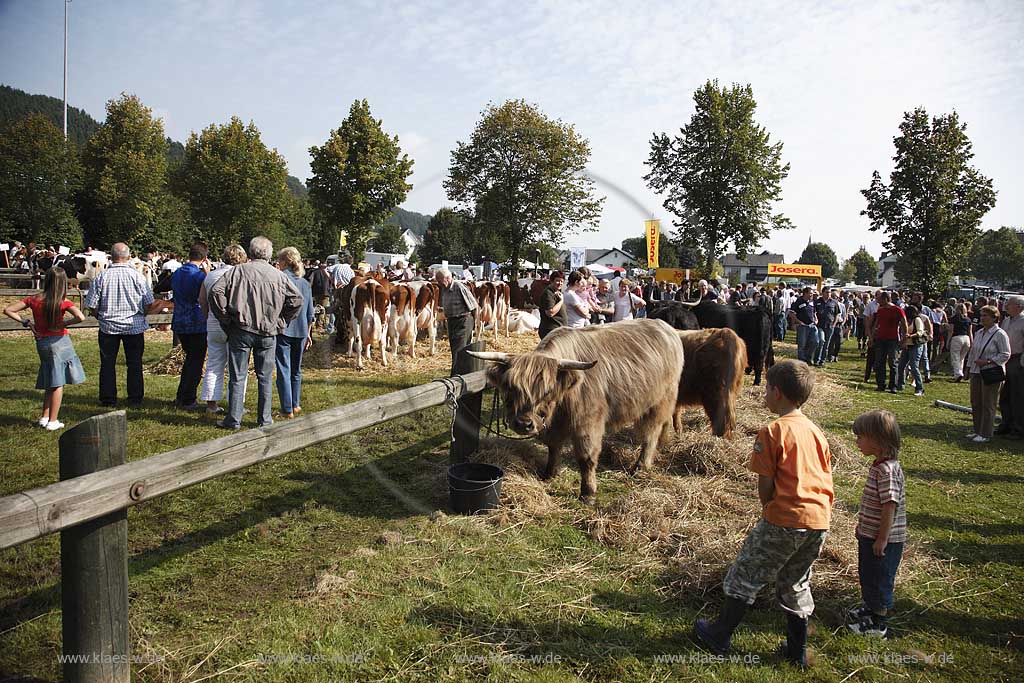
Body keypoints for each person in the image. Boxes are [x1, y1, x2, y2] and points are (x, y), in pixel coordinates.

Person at [695, 360, 833, 667]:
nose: (764, 395)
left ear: (778, 392)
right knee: (795, 581)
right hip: (819, 520)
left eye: (767, 388)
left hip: (785, 518)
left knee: (746, 573)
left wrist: (769, 509)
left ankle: (719, 633)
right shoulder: (815, 431)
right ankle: (797, 651)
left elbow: (766, 486)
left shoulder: (772, 431)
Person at [208, 236, 303, 430]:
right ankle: (265, 419)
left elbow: (216, 292)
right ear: (269, 254)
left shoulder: (237, 272)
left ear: (250, 252)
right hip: (268, 332)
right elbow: (297, 300)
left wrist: (225, 318)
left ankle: (233, 419)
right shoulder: (278, 275)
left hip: (241, 329)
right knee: (265, 377)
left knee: (238, 376)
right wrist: (282, 321)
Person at [3, 268, 87, 430]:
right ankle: (53, 421)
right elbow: (81, 317)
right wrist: (64, 323)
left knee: (50, 377)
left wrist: (27, 323)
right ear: (63, 282)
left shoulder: (34, 299)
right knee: (58, 383)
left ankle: (45, 415)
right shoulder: (62, 302)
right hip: (59, 342)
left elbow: (8, 310)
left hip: (42, 341)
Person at [848, 409, 907, 637]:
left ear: (878, 441)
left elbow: (889, 506)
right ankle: (870, 607)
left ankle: (878, 622)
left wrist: (882, 538)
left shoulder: (887, 471)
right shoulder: (879, 466)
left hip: (884, 540)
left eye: (861, 437)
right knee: (868, 574)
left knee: (880, 577)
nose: (857, 442)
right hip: (871, 534)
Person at [84, 243, 161, 408]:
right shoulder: (137, 277)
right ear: (128, 256)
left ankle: (108, 398)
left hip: (108, 326)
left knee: (107, 364)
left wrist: (99, 315)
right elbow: (149, 303)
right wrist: (143, 314)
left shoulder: (101, 277)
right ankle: (135, 398)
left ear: (111, 257)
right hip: (133, 326)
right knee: (134, 363)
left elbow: (90, 304)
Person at [199, 245, 248, 414]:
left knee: (214, 364)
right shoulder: (242, 275)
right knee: (238, 366)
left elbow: (203, 300)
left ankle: (211, 404)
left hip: (214, 323)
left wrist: (208, 317)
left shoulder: (211, 275)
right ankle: (236, 404)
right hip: (235, 325)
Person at [275, 247, 315, 419]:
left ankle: (286, 408)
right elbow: (310, 313)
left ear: (284, 261)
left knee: (284, 368)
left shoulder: (280, 279)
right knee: (296, 369)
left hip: (284, 329)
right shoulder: (305, 283)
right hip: (301, 330)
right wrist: (308, 334)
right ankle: (295, 404)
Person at [170, 242, 211, 409]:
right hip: (196, 321)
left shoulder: (177, 273)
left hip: (179, 320)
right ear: (204, 258)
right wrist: (208, 274)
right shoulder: (200, 277)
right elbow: (205, 295)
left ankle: (181, 395)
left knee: (189, 360)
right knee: (195, 361)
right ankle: (188, 398)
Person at [966, 305, 1011, 443]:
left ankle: (986, 433)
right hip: (976, 371)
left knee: (988, 403)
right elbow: (973, 351)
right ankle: (977, 430)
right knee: (976, 402)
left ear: (994, 318)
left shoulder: (1000, 334)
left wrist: (988, 361)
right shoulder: (979, 332)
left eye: (985, 315)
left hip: (991, 373)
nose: (982, 318)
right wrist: (968, 367)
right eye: (981, 315)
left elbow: (1005, 354)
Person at [434, 267, 478, 374]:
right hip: (451, 321)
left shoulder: (459, 287)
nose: (439, 283)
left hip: (463, 320)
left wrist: (475, 324)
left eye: (440, 281)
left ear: (448, 278)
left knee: (459, 349)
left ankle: (455, 375)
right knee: (454, 348)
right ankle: (464, 373)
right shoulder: (444, 289)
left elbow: (474, 306)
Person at [996, 295, 1024, 440]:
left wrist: (1021, 362)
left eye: (1010, 304)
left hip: (1017, 360)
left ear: (1019, 306)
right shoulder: (1007, 320)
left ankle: (1018, 429)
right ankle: (1005, 424)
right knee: (1005, 395)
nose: (1006, 306)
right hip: (1006, 359)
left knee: (1017, 396)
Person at [871, 291, 908, 394]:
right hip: (880, 339)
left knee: (893, 363)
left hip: (892, 339)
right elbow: (876, 324)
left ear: (885, 299)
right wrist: (872, 337)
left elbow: (904, 323)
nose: (877, 301)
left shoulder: (897, 310)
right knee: (879, 362)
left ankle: (893, 386)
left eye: (879, 299)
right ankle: (881, 385)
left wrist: (904, 338)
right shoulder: (881, 310)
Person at [895, 305, 927, 396]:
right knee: (901, 366)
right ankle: (900, 385)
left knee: (914, 367)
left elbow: (920, 332)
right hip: (907, 346)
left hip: (916, 346)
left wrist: (910, 336)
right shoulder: (906, 321)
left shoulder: (917, 320)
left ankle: (920, 388)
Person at [788, 287, 818, 363]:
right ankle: (802, 360)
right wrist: (798, 321)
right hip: (803, 326)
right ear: (805, 293)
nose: (812, 295)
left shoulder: (812, 301)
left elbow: (814, 312)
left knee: (815, 341)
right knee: (802, 344)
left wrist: (816, 318)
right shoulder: (799, 301)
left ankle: (809, 356)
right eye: (810, 293)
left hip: (812, 325)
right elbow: (791, 313)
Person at [947, 303, 973, 383]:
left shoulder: (953, 318)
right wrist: (972, 342)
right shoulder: (968, 319)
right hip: (966, 338)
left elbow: (951, 331)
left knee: (955, 357)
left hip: (957, 338)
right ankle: (959, 373)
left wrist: (948, 341)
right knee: (962, 358)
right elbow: (970, 332)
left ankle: (958, 374)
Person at [538, 271, 566, 338]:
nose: (560, 283)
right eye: (557, 281)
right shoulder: (548, 293)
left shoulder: (557, 292)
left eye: (562, 281)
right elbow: (550, 312)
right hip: (551, 330)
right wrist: (561, 301)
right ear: (551, 280)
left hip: (558, 329)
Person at [309, 260, 332, 333]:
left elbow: (310, 282)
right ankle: (320, 326)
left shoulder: (314, 272)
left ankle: (314, 325)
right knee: (323, 310)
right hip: (326, 293)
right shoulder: (328, 272)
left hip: (316, 292)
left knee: (317, 309)